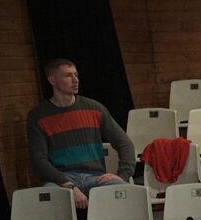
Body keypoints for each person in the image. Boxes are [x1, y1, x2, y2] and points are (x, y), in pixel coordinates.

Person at [26, 58, 133, 206]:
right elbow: (39, 161)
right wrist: (69, 185)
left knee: (129, 194)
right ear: (52, 80)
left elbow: (124, 143)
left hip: (95, 177)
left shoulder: (93, 108)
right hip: (61, 180)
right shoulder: (38, 116)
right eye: (68, 75)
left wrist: (123, 175)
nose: (75, 80)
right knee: (46, 199)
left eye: (76, 75)